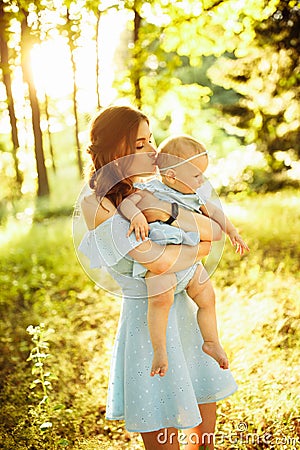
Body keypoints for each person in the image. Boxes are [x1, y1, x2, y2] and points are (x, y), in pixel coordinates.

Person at [77, 105, 238, 450]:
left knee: (205, 439)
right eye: (140, 145)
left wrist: (171, 212)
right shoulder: (98, 203)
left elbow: (215, 231)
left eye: (150, 140)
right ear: (114, 150)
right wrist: (196, 248)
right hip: (149, 331)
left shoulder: (153, 190)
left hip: (187, 320)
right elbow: (158, 260)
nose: (153, 152)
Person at [117, 134, 249, 378]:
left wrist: (232, 232)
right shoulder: (150, 189)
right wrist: (135, 215)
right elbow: (126, 203)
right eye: (197, 176)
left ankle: (211, 341)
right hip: (161, 260)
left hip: (189, 260)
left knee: (207, 296)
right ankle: (160, 350)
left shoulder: (196, 195)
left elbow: (216, 213)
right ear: (172, 176)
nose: (202, 181)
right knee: (160, 299)